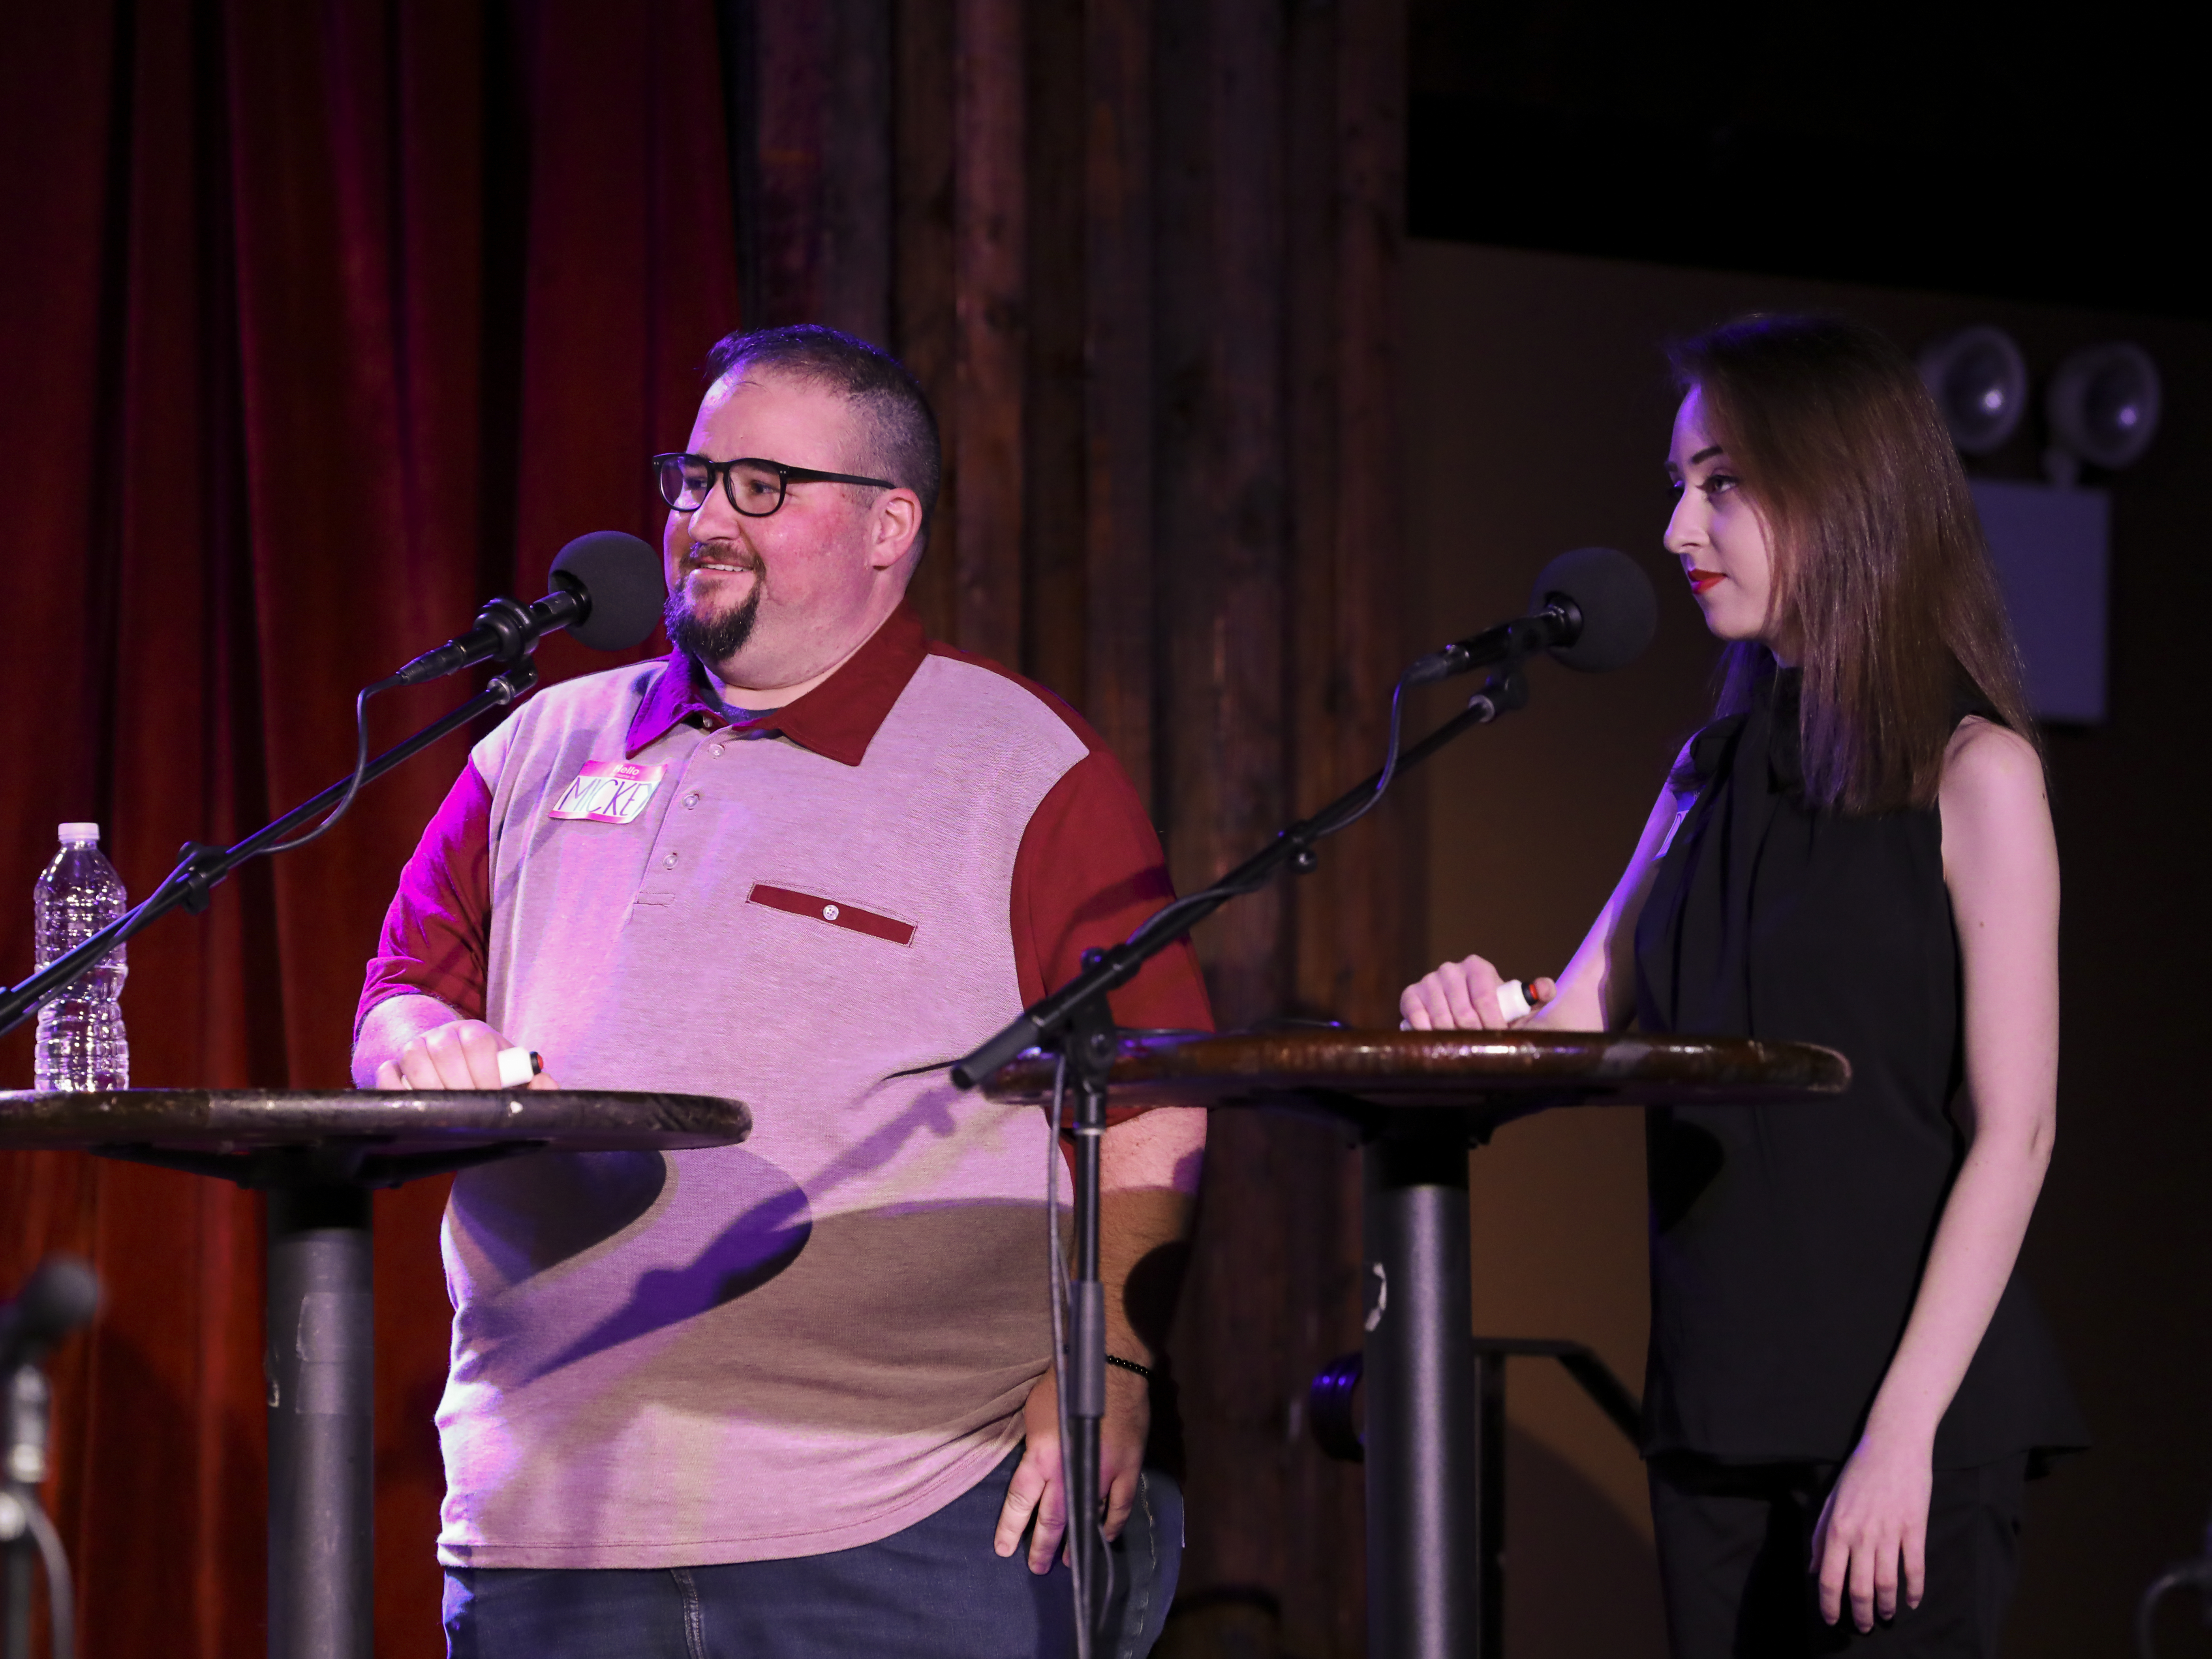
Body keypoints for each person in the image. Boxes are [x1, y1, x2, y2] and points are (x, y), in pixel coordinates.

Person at [352, 323, 1211, 1659]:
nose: (702, 517)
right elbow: (402, 989)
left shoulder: (1020, 765)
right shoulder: (538, 745)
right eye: (692, 477)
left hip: (907, 1516)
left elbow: (1154, 1092)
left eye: (760, 486)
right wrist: (424, 1040)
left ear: (888, 525)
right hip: (552, 1524)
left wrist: (1109, 1357)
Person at [1401, 315, 2084, 1657]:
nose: (1675, 529)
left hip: (1902, 1420)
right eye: (1678, 486)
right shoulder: (1706, 770)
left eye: (1719, 482)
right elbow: (1578, 1020)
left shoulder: (1973, 774)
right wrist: (1471, 1019)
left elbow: (2019, 1130)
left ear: (1842, 489)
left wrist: (1902, 1441)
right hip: (1716, 1409)